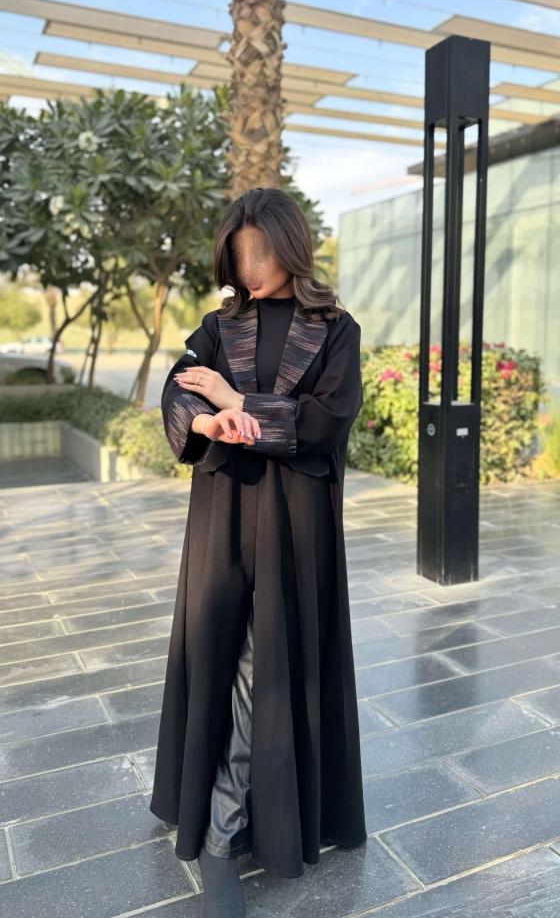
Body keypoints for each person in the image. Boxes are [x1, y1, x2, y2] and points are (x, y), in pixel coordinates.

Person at [149, 187, 367, 916]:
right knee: (218, 652)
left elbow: (326, 422)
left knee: (261, 665)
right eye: (239, 255)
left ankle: (221, 833)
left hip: (296, 522)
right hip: (223, 511)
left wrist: (237, 404)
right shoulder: (220, 325)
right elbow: (178, 392)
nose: (249, 269)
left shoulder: (335, 330)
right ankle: (215, 812)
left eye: (261, 253)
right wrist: (206, 422)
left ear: (291, 246)